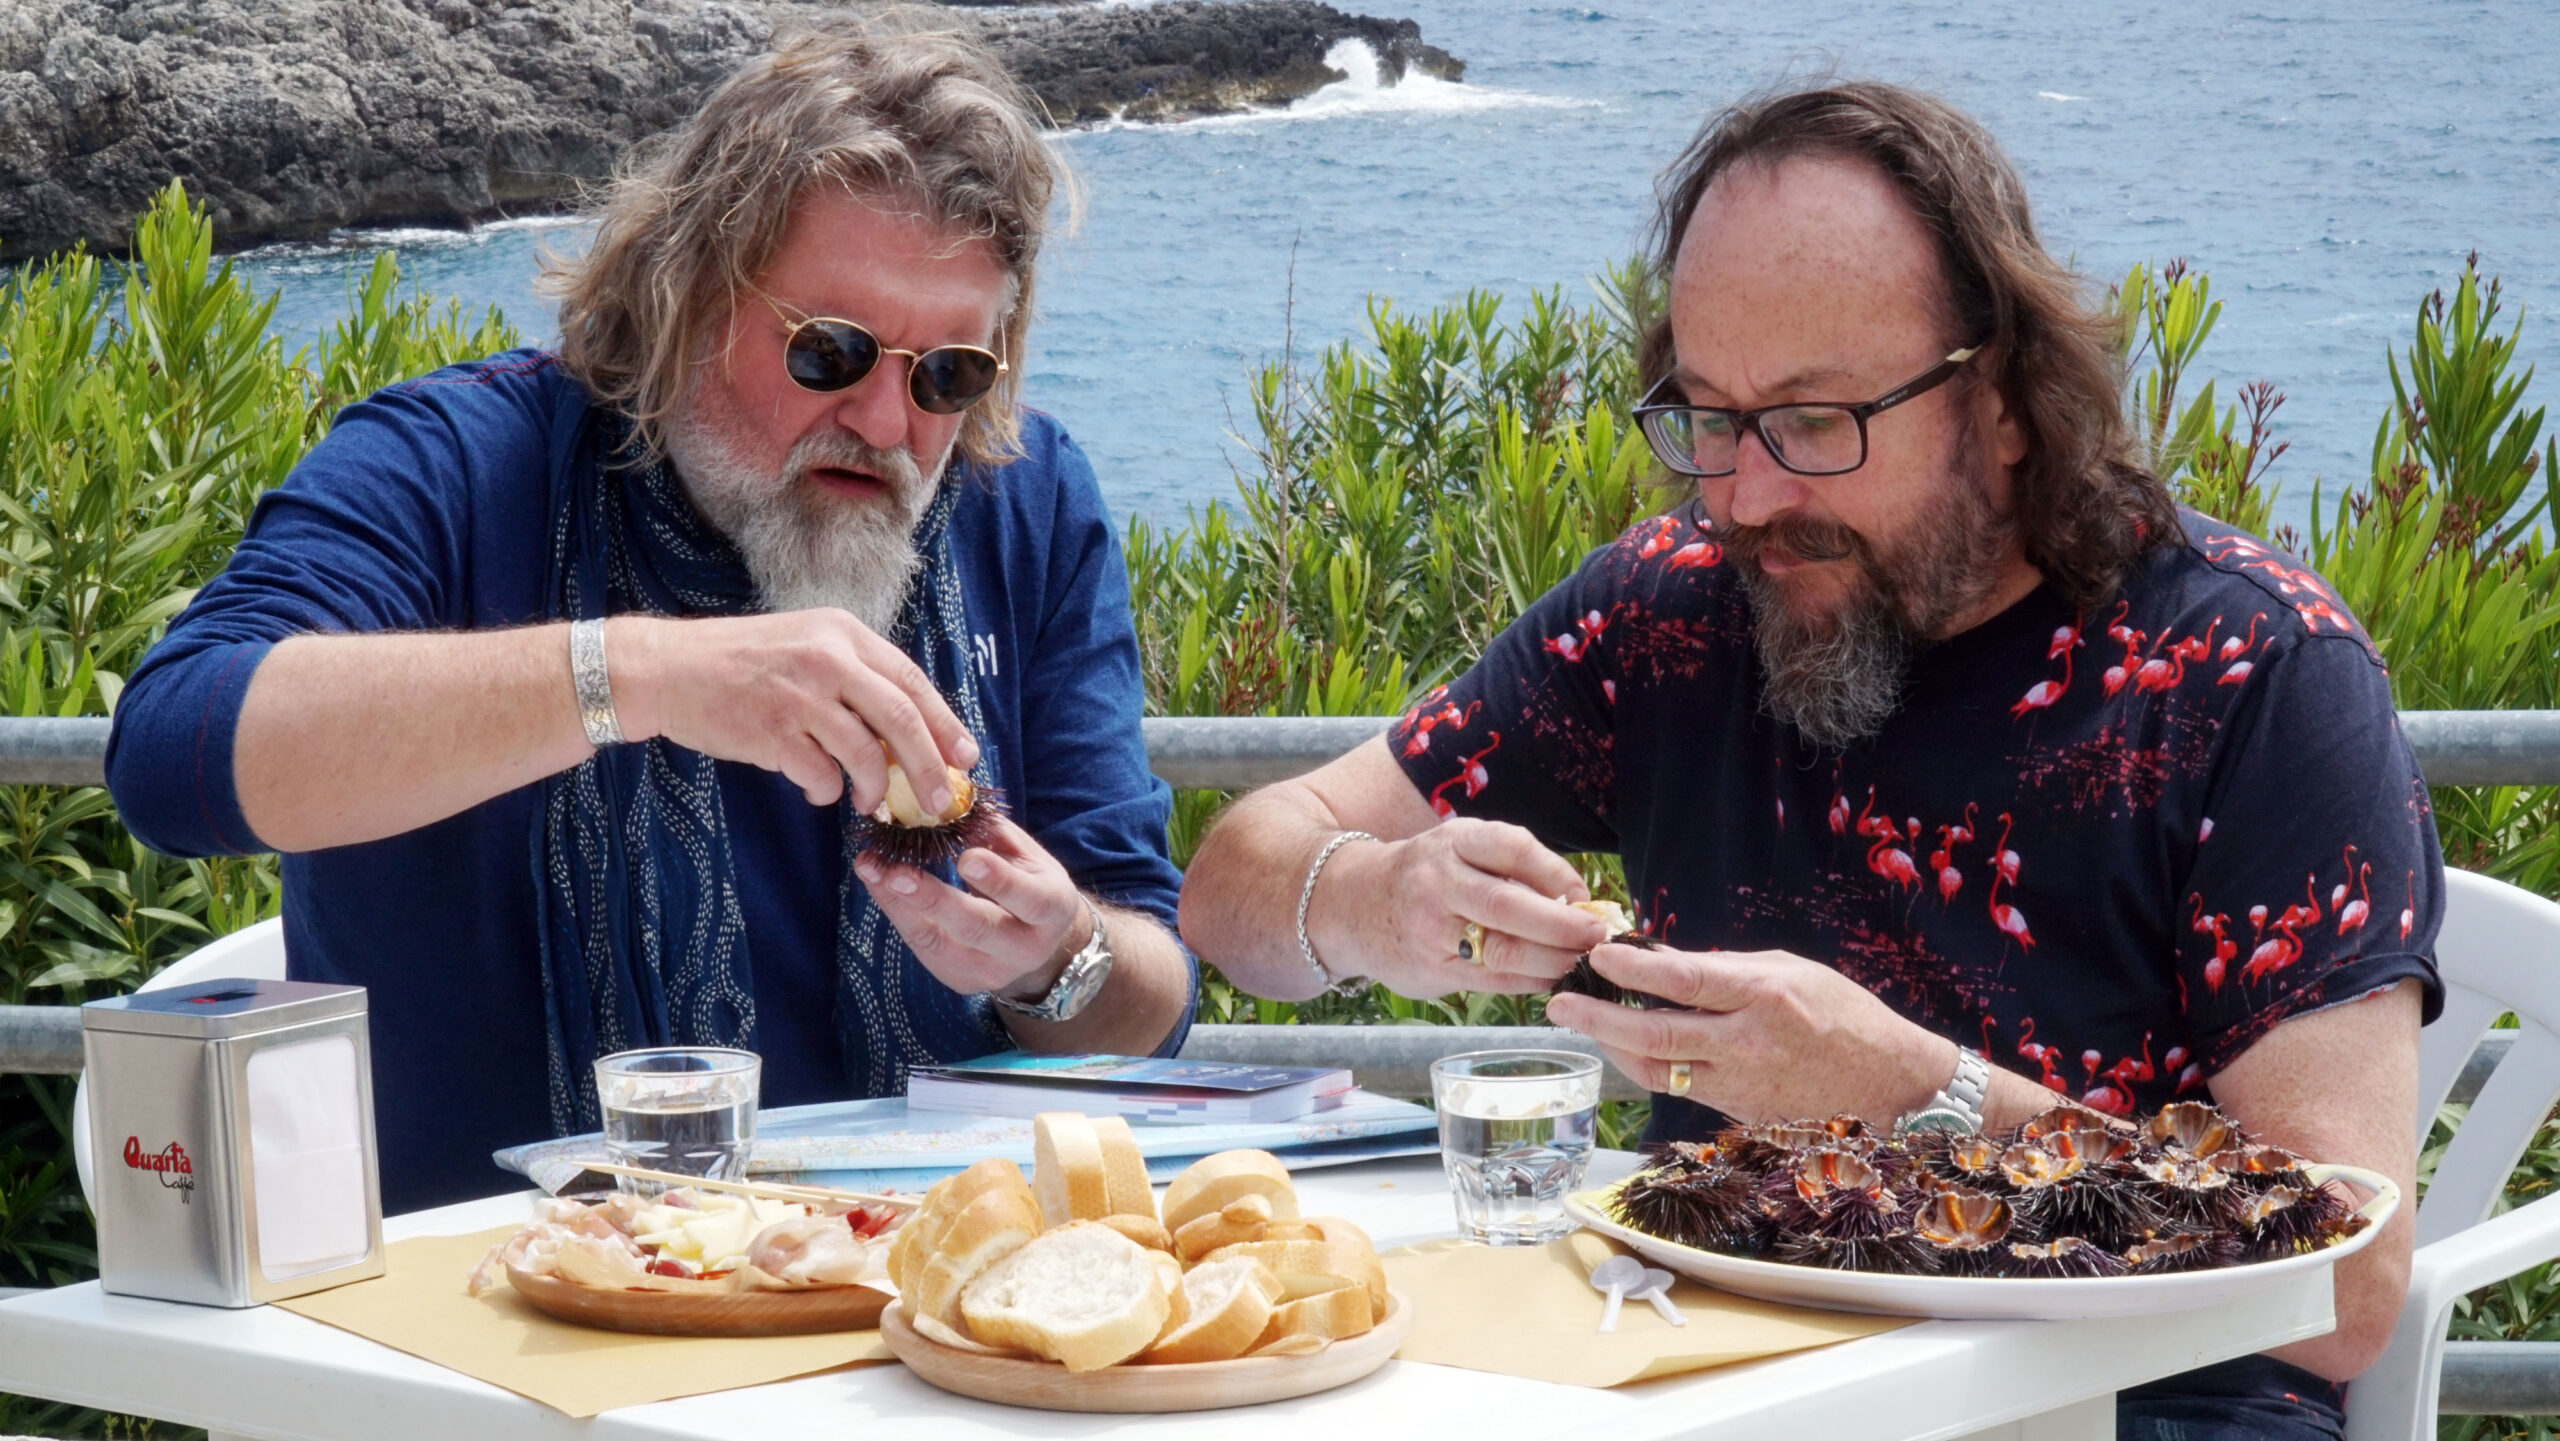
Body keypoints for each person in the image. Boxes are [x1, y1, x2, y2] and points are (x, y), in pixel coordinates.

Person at [1179, 82, 2440, 1436]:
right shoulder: (1671, 611)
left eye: (1815, 421)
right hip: (1710, 1388)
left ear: (2005, 398)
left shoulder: (2247, 673)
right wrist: (1371, 897)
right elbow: (1230, 896)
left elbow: (2350, 1284)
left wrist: (1915, 1095)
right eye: (1711, 417)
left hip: (2132, 1408)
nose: (1748, 496)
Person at [105, 19, 1195, 1212]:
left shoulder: (1023, 503)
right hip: (495, 1327)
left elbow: (1150, 997)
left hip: (916, 1301)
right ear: (686, 291)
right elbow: (173, 754)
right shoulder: (460, 465)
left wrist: (1054, 959)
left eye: (949, 374)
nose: (889, 423)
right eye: (831, 351)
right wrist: (631, 677)